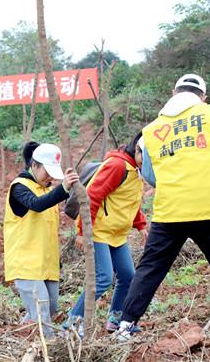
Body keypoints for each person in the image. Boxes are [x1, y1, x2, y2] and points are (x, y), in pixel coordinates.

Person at [116, 74, 210, 340]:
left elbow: (150, 176)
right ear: (202, 96)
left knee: (150, 269)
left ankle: (125, 326)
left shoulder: (151, 132)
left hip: (170, 212)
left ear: (174, 92)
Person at [62, 133, 148, 337]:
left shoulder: (135, 170)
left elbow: (129, 202)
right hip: (98, 231)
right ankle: (72, 323)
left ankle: (115, 320)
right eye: (148, 158)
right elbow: (91, 196)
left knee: (128, 276)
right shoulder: (117, 166)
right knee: (103, 278)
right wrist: (83, 232)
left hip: (116, 234)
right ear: (137, 149)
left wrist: (140, 225)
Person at [3, 143, 79, 337]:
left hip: (47, 264)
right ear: (34, 165)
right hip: (26, 263)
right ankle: (50, 350)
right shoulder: (19, 187)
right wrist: (63, 188)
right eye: (47, 171)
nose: (50, 177)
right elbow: (36, 205)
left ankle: (18, 337)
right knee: (41, 310)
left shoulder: (46, 190)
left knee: (49, 308)